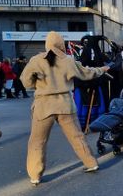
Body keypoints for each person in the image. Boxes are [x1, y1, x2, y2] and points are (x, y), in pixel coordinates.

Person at [20, 32, 108, 185]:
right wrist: (102, 69)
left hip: (43, 105)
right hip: (65, 104)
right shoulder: (68, 60)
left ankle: (35, 175)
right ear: (62, 44)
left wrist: (39, 85)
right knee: (77, 137)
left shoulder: (36, 60)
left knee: (37, 141)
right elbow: (86, 73)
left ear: (47, 44)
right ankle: (91, 163)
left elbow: (25, 81)